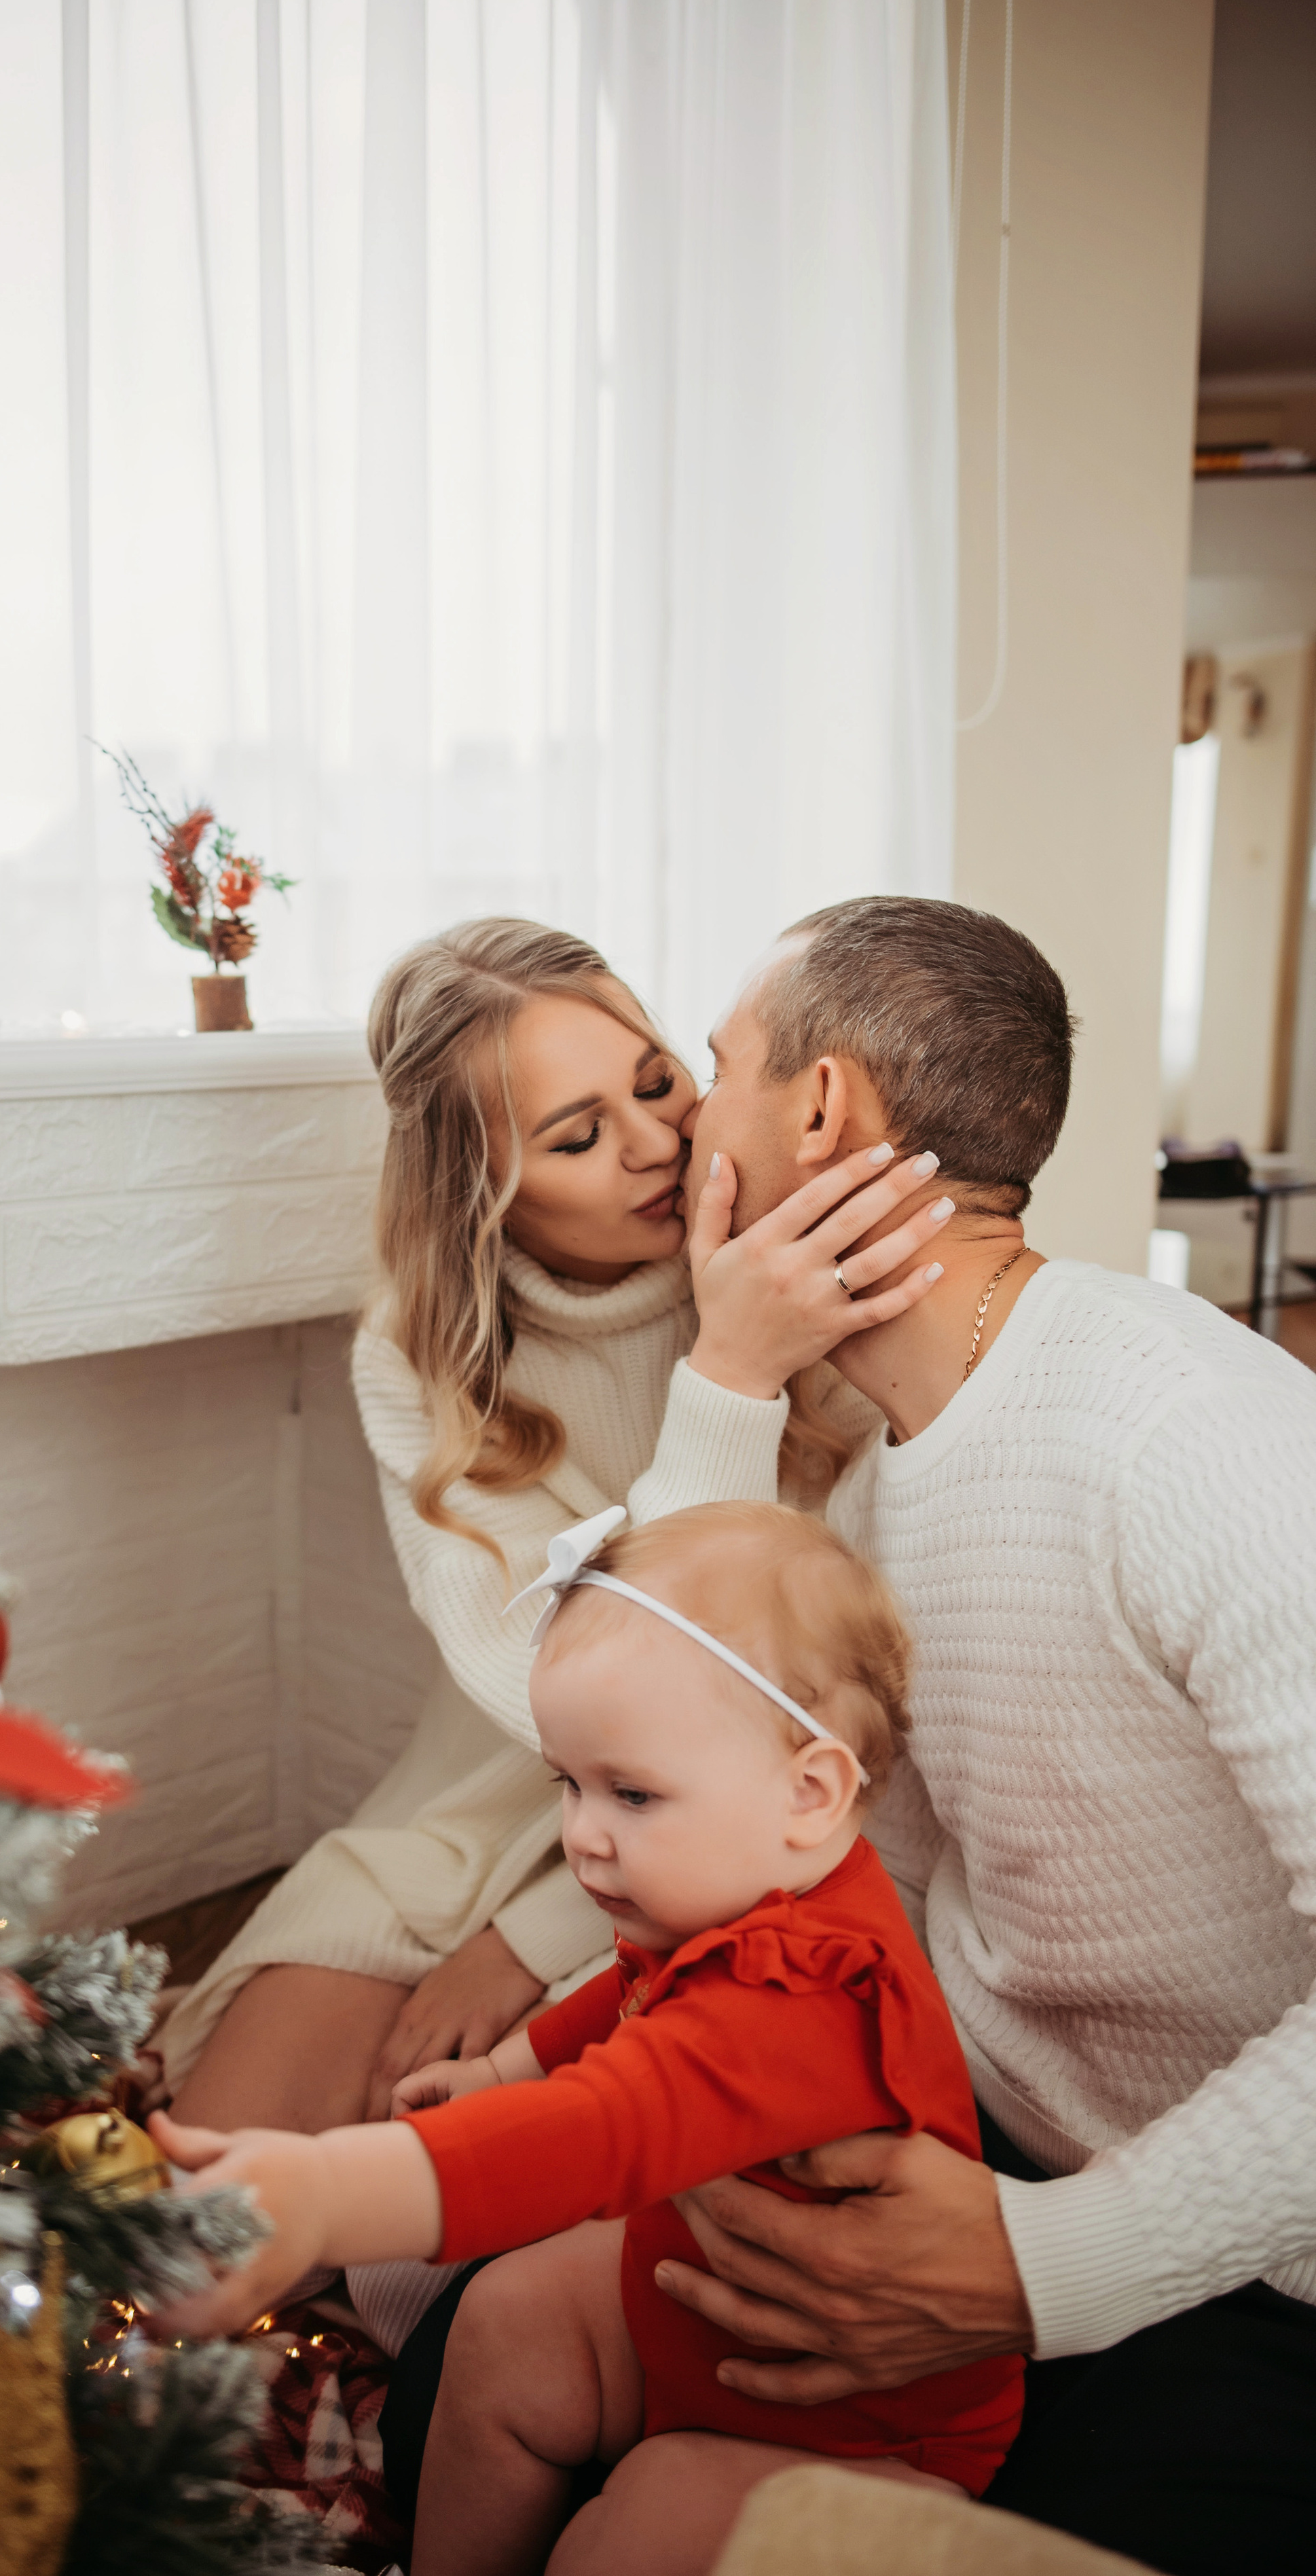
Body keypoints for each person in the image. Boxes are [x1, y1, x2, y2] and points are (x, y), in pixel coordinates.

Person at [598, 894, 1316, 2576]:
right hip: (995, 2154)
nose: (685, 1123)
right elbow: (679, 1774)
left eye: (713, 1071)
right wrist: (723, 1381)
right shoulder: (878, 1474)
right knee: (493, 2319)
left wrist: (1043, 2268)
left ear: (823, 1112)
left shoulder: (1195, 1446)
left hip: (1246, 2274)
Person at [160, 920, 949, 2143]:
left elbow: (744, 1705)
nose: (657, 1144)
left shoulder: (798, 1294)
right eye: (578, 1135)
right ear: (486, 1189)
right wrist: (725, 1382)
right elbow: (538, 1685)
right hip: (479, 1819)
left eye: (657, 1083)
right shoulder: (416, 1356)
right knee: (204, 2188)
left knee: (465, 2184)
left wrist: (528, 1947)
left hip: (737, 1845)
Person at [152, 1502, 1023, 2576]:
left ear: (810, 1792)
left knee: (642, 2523)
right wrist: (504, 2066)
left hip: (849, 2423)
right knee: (512, 2314)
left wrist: (327, 2192)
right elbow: (623, 1996)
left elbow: (599, 2130)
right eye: (570, 1783)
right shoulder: (731, 1906)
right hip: (711, 2309)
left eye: (633, 1793)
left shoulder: (803, 1993)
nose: (582, 1833)